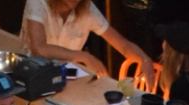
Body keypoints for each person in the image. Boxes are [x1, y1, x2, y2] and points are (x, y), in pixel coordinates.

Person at [23, 0, 153, 86]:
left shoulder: (87, 8)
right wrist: (84, 57)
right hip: (31, 75)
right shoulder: (38, 2)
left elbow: (122, 45)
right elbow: (39, 48)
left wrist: (144, 59)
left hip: (66, 79)